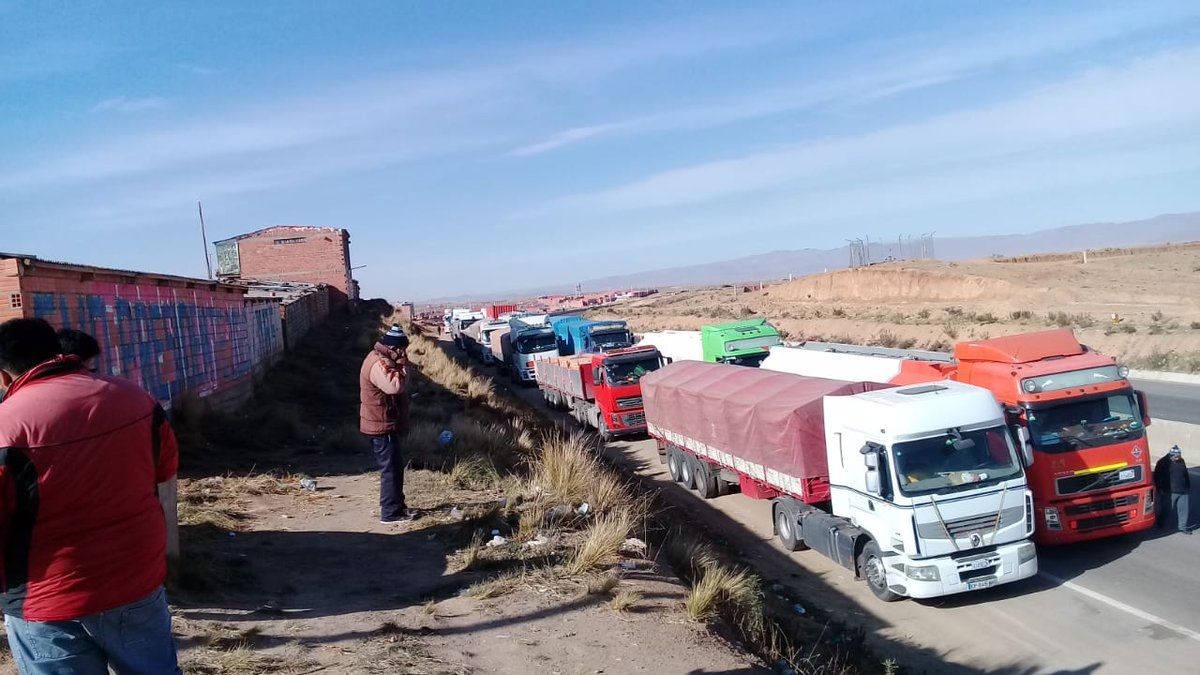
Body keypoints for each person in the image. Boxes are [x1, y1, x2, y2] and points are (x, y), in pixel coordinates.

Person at [0, 318, 181, 673]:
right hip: (136, 579)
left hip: (46, 600)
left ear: (5, 376)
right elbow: (164, 470)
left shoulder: (6, 426)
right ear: (59, 352)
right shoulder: (135, 398)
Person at [360, 323, 417, 524]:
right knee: (390, 470)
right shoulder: (379, 363)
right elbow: (395, 386)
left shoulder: (381, 359)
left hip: (384, 422)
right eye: (402, 350)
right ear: (395, 348)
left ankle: (397, 506)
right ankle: (390, 513)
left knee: (394, 467)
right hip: (381, 424)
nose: (404, 353)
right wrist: (403, 365)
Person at [1153, 445, 1192, 534]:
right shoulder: (1163, 462)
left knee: (1183, 510)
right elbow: (1157, 476)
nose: (1178, 459)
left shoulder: (1181, 461)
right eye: (1176, 457)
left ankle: (1183, 527)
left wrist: (1188, 486)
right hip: (1169, 491)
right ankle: (1160, 524)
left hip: (1183, 490)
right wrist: (1159, 489)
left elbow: (1185, 474)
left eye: (1179, 456)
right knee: (1166, 508)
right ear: (1171, 455)